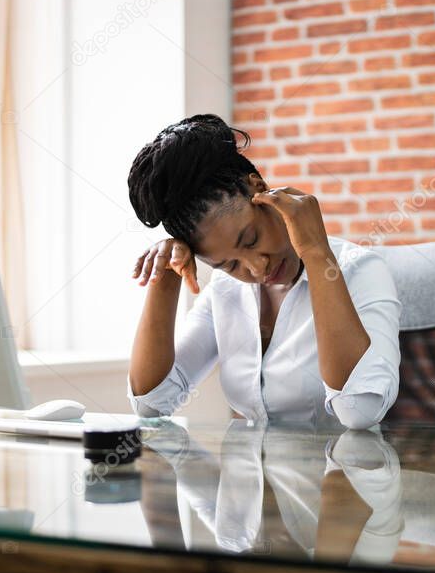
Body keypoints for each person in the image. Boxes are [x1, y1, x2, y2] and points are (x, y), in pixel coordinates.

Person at [126, 114, 401, 429]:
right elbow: (150, 405)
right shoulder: (224, 291)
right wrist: (167, 277)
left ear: (258, 189)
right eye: (229, 264)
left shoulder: (361, 271)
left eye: (252, 239)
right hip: (249, 475)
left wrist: (316, 253)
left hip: (340, 475)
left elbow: (359, 411)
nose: (257, 267)